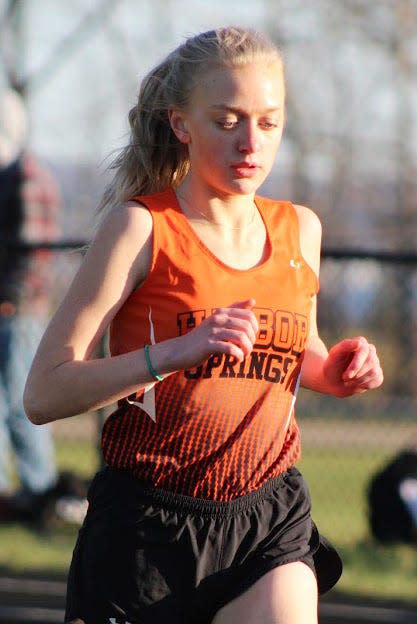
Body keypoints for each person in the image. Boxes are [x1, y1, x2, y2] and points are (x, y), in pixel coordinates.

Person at [23, 27, 383, 624]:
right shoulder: (140, 229)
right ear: (181, 123)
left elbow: (300, 352)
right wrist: (172, 353)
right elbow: (43, 393)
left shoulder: (301, 230)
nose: (251, 143)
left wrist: (336, 371)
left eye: (268, 123)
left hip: (267, 516)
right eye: (227, 121)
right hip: (147, 528)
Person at [0, 88, 87, 526]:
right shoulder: (10, 173)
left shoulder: (27, 179)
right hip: (11, 310)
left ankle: (39, 494)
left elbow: (32, 259)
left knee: (21, 403)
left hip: (18, 313)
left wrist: (10, 301)